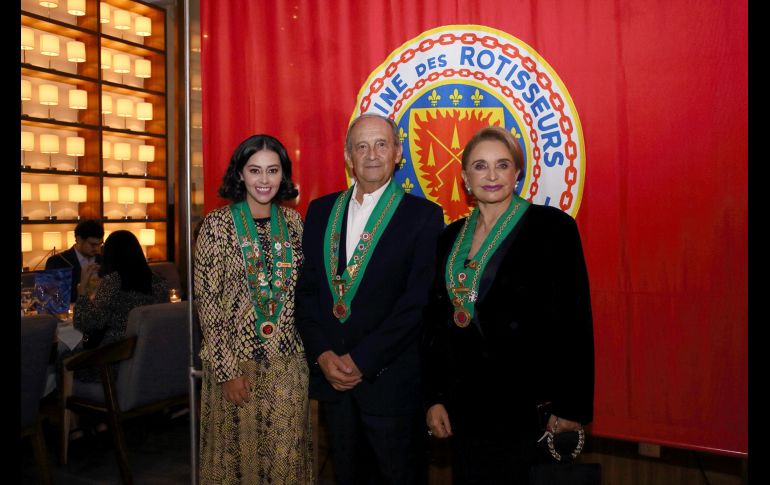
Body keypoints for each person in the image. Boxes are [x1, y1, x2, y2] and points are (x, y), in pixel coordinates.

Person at [422, 125, 595, 483]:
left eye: (502, 165)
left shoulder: (552, 228)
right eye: (480, 166)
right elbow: (437, 326)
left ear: (517, 173)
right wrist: (434, 397)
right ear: (465, 178)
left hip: (529, 408)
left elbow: (575, 321)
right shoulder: (449, 238)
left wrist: (570, 406)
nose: (491, 176)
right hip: (465, 406)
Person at [295, 114, 444, 485]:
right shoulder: (320, 212)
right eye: (361, 146)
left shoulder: (423, 216)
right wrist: (322, 354)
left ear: (397, 153)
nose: (372, 154)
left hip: (391, 386)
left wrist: (362, 360)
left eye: (381, 145)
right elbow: (306, 293)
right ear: (349, 157)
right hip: (335, 386)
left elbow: (417, 304)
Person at [194, 134, 312, 483]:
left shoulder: (295, 223)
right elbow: (208, 302)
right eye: (255, 170)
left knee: (285, 463)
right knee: (235, 463)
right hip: (235, 364)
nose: (264, 180)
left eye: (272, 170)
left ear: (283, 174)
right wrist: (227, 370)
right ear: (240, 174)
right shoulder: (216, 225)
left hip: (288, 365)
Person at [72, 230, 170, 382]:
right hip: (151, 359)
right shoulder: (159, 282)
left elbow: (85, 323)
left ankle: (69, 398)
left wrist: (82, 291)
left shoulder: (113, 282)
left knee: (64, 358)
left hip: (113, 362)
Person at [45, 218, 104, 302]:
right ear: (79, 239)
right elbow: (51, 298)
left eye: (99, 244)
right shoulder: (57, 261)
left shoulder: (104, 260)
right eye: (93, 244)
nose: (97, 249)